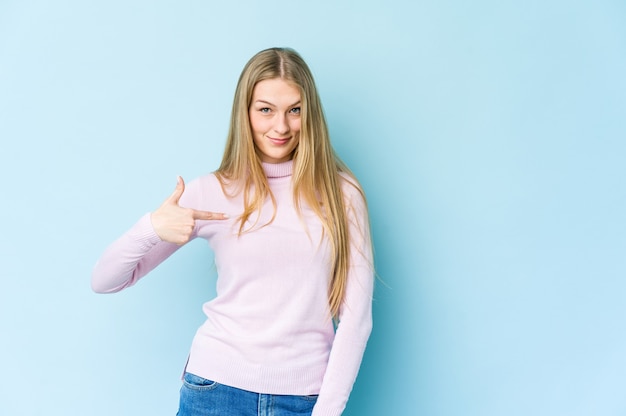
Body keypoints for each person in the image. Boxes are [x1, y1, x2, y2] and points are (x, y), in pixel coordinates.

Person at [91, 47, 374, 416]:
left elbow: (356, 318)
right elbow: (105, 280)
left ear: (310, 113)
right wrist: (151, 227)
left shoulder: (342, 194)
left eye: (295, 110)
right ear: (245, 112)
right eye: (266, 110)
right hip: (214, 392)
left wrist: (327, 411)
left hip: (304, 399)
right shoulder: (212, 192)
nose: (281, 126)